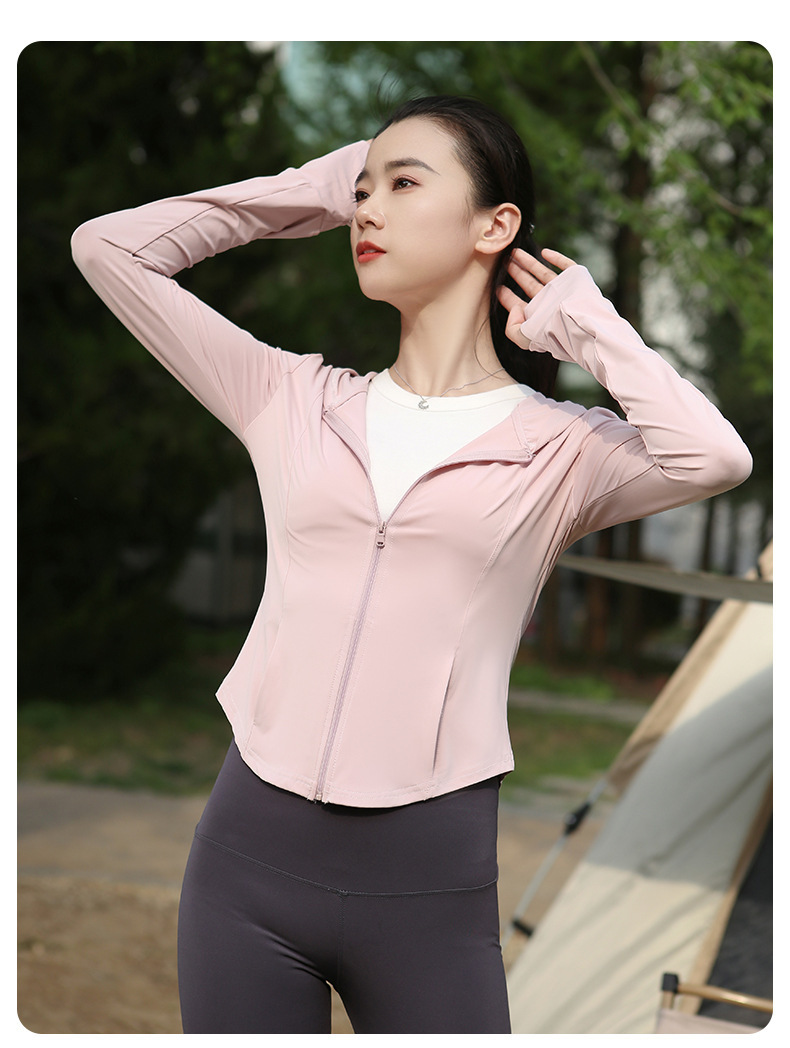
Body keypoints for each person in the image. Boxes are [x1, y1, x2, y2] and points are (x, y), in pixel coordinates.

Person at [71, 94, 752, 1034]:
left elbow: (714, 456)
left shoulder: (564, 450)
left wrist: (587, 327)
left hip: (427, 883)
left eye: (402, 184)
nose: (368, 210)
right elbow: (107, 248)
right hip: (245, 865)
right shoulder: (289, 397)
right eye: (362, 190)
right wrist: (313, 190)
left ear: (494, 225)